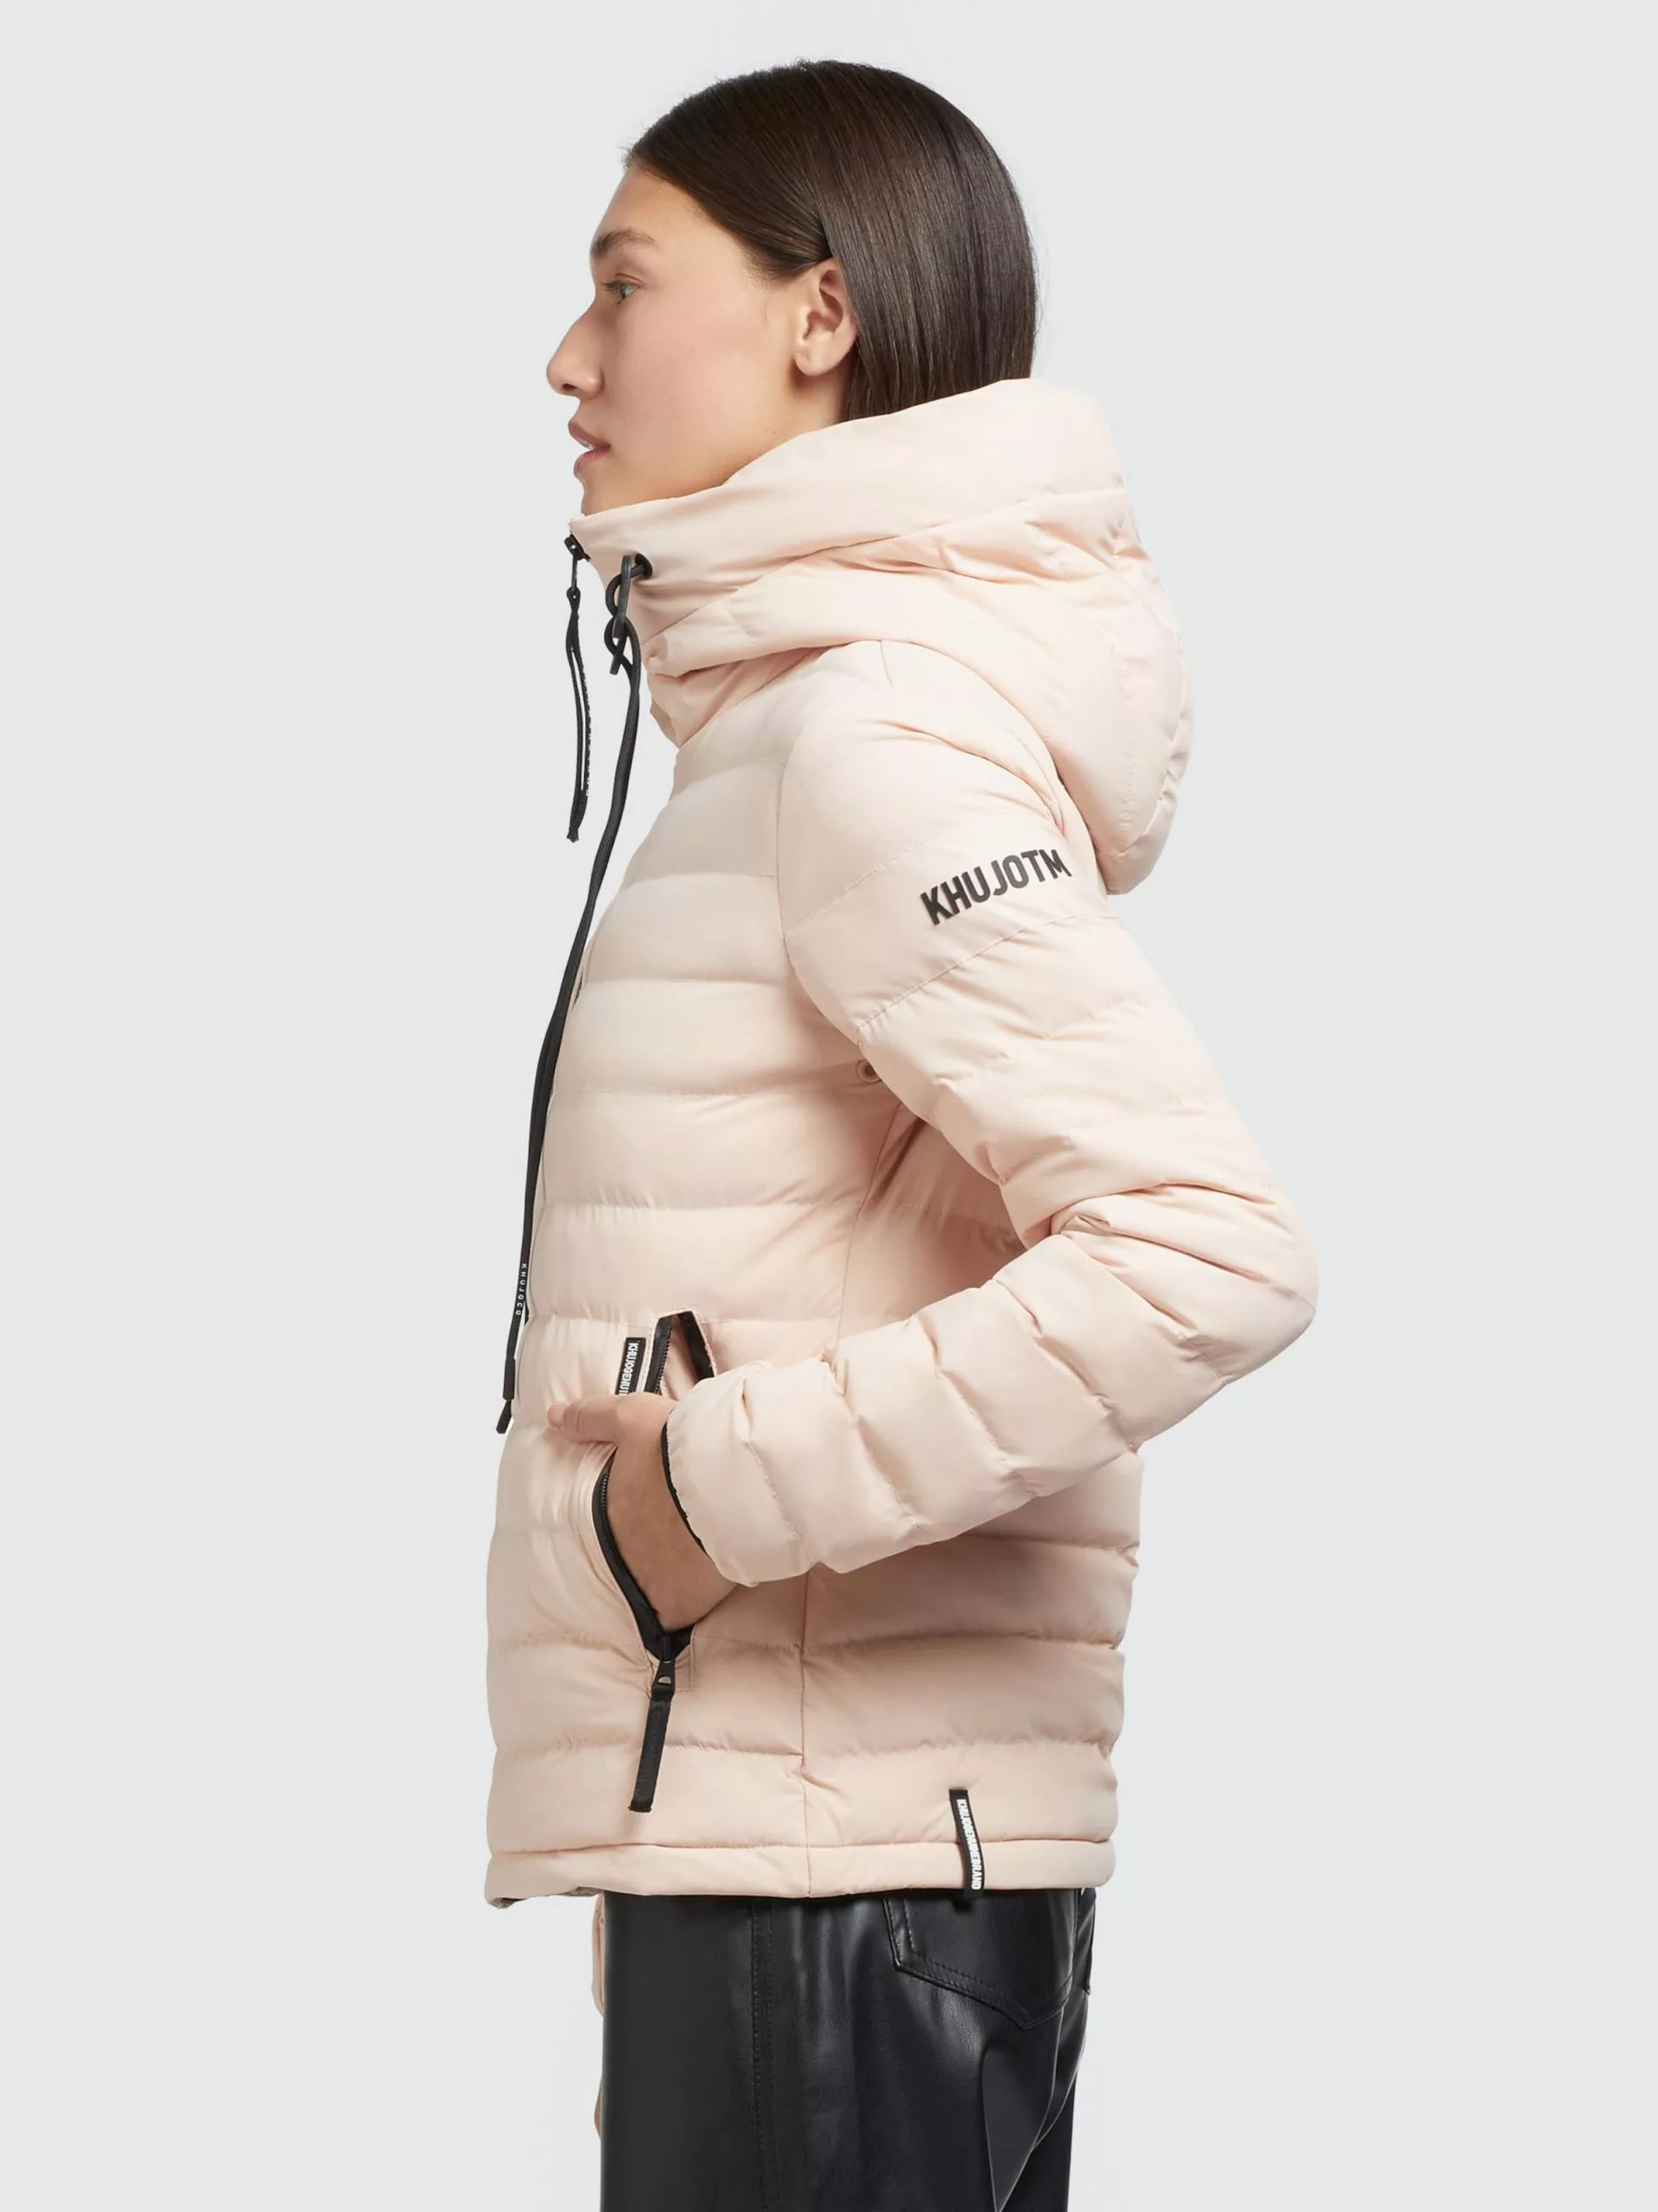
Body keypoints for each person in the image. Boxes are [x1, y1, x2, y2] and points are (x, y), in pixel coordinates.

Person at [484, 58, 1318, 2212]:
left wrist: (705, 1491)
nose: (566, 357)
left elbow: (1203, 1245)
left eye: (621, 283)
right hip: (802, 1848)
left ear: (819, 314)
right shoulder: (797, 726)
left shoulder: (867, 735)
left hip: (839, 1881)